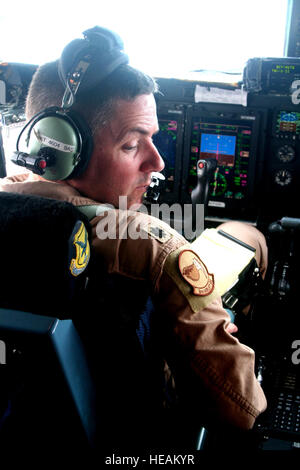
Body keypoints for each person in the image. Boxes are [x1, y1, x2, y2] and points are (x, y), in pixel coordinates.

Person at [0, 27, 267, 449]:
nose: (157, 162)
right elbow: (240, 409)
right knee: (247, 235)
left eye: (154, 138)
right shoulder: (156, 248)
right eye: (131, 145)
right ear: (67, 151)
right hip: (134, 438)